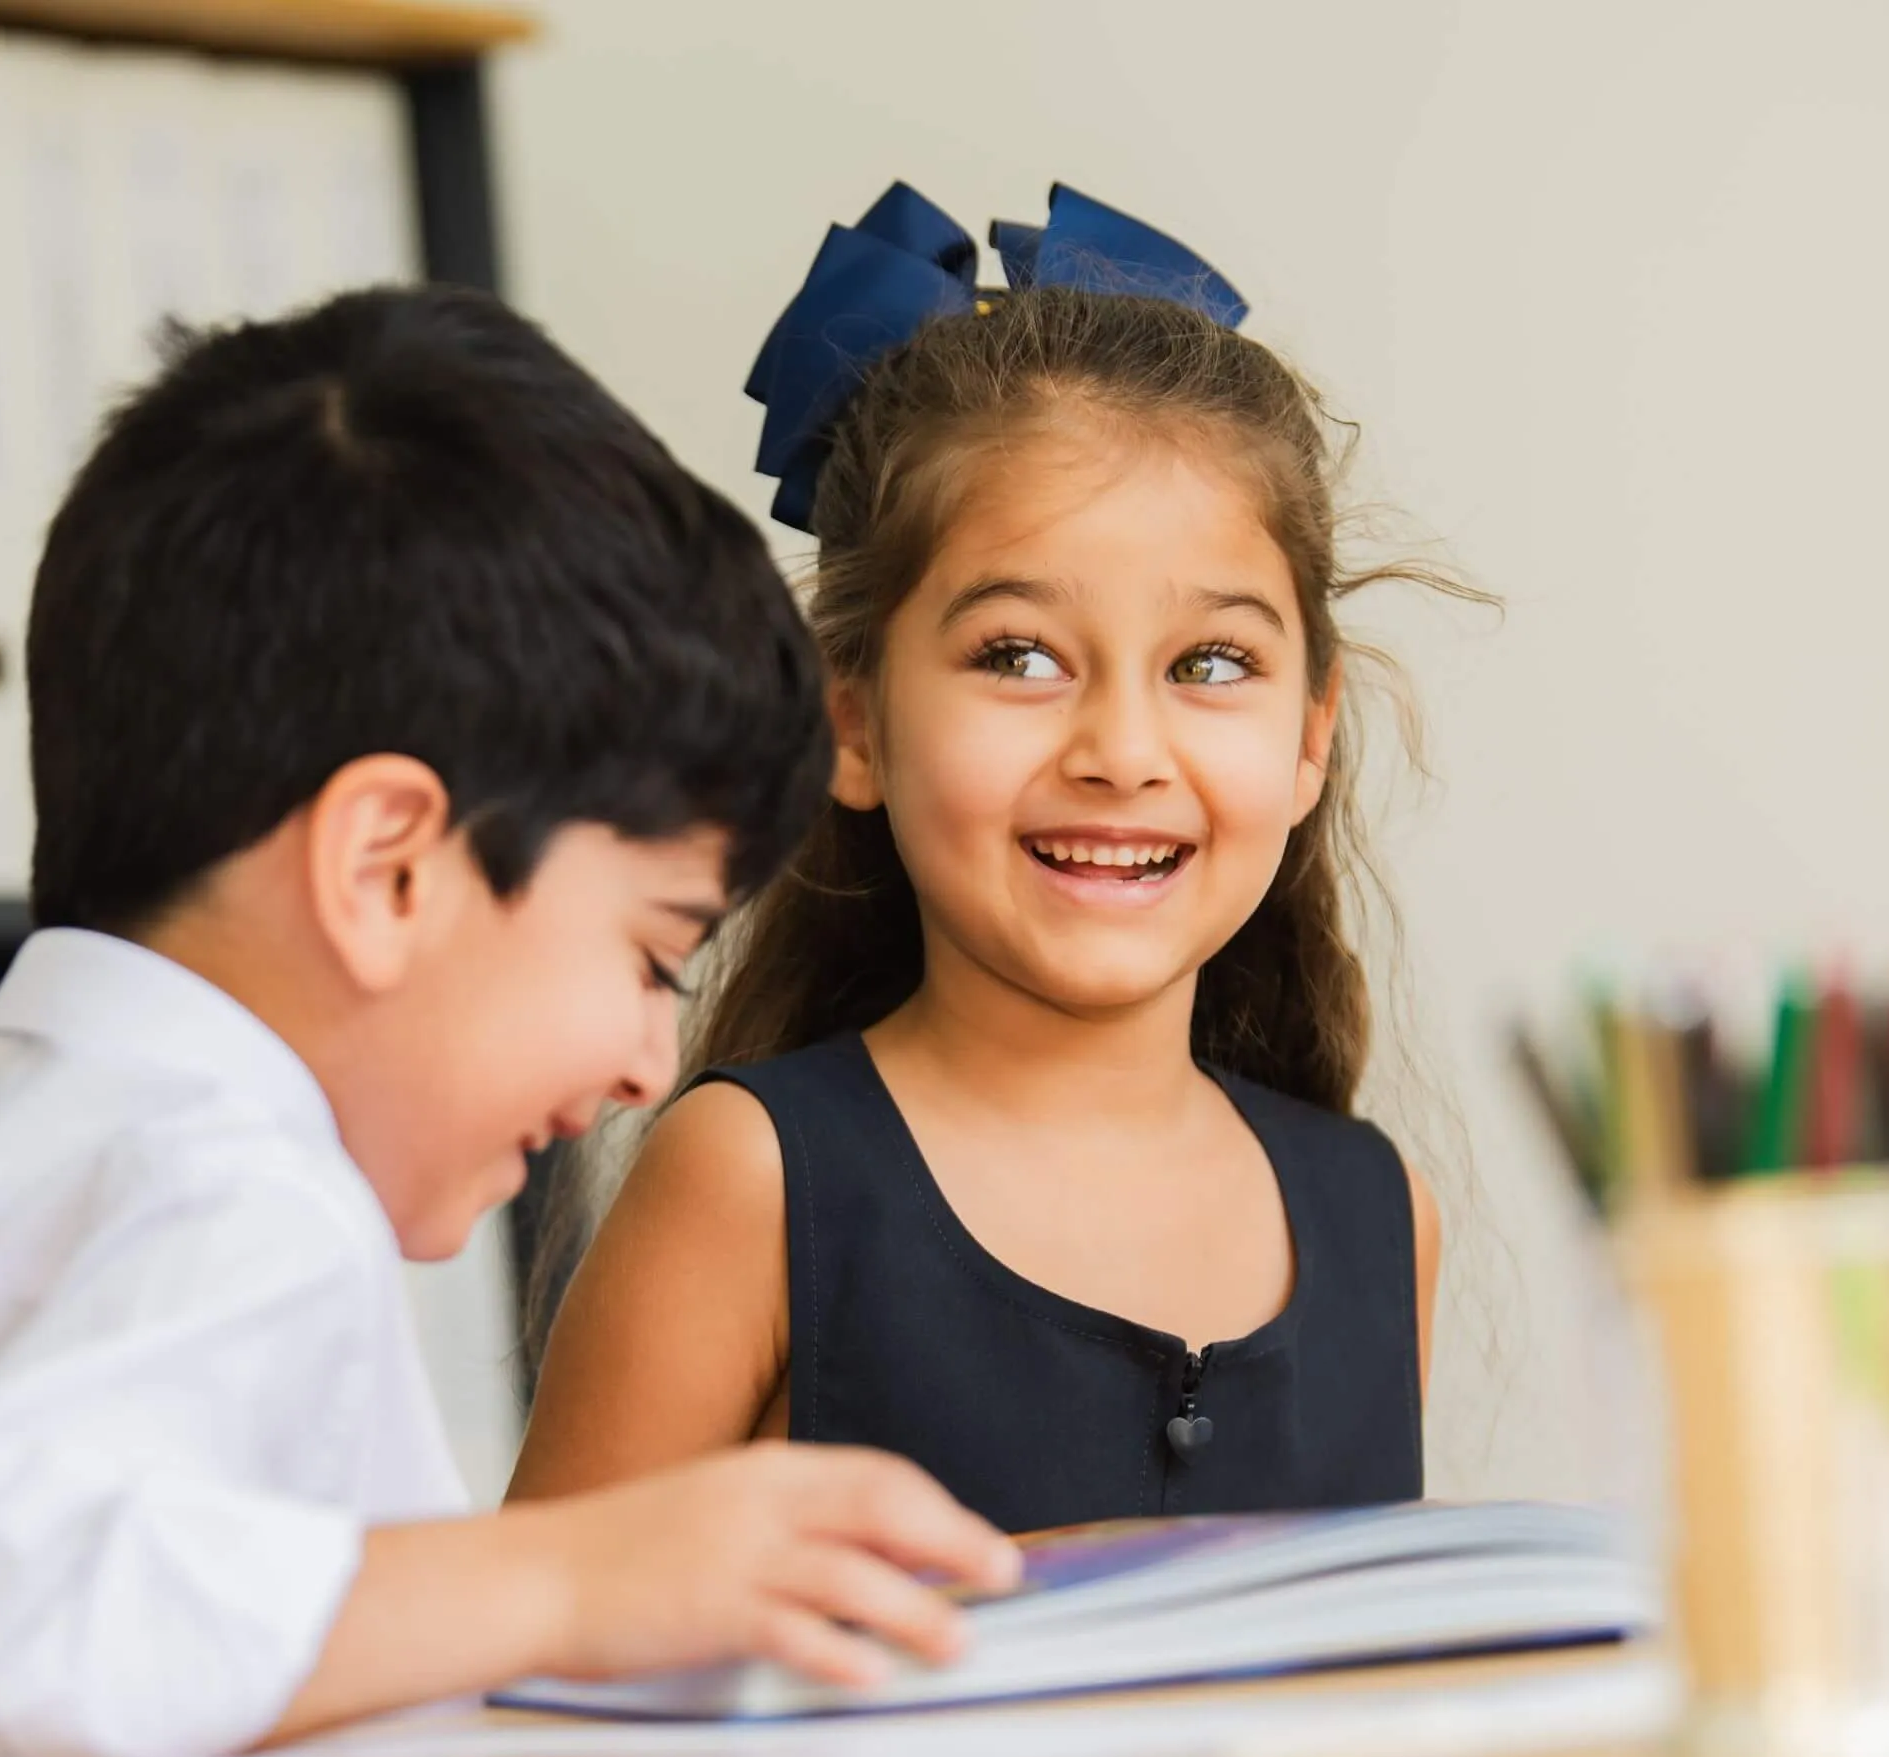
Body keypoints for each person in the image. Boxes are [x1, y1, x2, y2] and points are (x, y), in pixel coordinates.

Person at [0, 285, 1018, 1757]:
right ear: (387, 867)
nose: (654, 1062)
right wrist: (574, 1578)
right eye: (651, 953)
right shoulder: (237, 1198)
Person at [514, 184, 1471, 1536]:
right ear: (851, 720)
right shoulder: (752, 1180)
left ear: (1309, 738)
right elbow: (534, 1686)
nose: (1121, 749)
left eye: (1212, 664)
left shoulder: (1381, 1216)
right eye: (1019, 656)